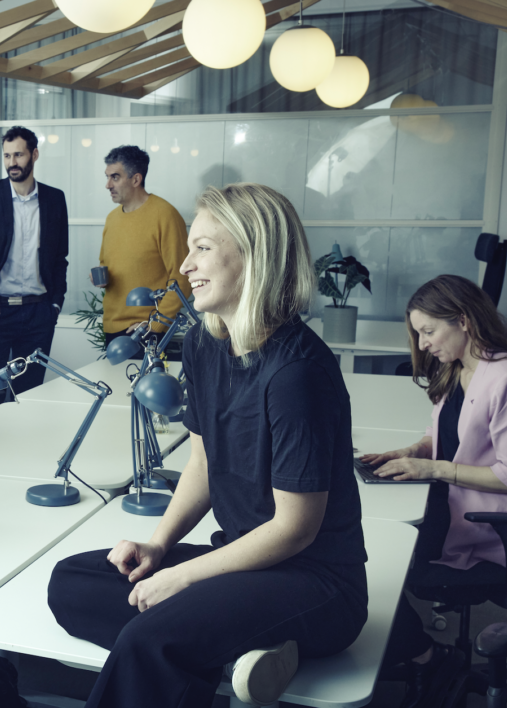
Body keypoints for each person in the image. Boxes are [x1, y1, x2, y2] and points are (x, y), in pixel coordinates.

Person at [48, 184, 368, 708]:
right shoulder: (202, 341)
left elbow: (294, 529)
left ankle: (221, 638)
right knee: (73, 582)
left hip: (316, 583)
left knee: (149, 637)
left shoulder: (298, 372)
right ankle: (242, 650)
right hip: (243, 563)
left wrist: (183, 577)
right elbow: (201, 461)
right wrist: (158, 548)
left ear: (253, 255)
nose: (184, 264)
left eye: (202, 248)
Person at [360, 274, 507, 708]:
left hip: (494, 525)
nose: (423, 343)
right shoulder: (460, 367)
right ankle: (412, 649)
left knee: (369, 563)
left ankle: (427, 656)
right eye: (418, 333)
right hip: (454, 503)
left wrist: (431, 467)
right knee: (360, 546)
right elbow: (444, 433)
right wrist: (412, 450)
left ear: (463, 320)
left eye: (429, 331)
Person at [0, 126, 69, 412]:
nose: (11, 162)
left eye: (18, 155)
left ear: (34, 154)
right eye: (6, 155)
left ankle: (27, 454)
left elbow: (60, 259)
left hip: (38, 313)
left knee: (31, 397)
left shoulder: (55, 199)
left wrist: (55, 306)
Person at [96, 145, 192, 355]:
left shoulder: (165, 215)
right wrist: (101, 277)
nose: (107, 185)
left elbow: (183, 278)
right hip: (113, 329)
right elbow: (106, 264)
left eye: (115, 177)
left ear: (136, 179)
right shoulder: (112, 218)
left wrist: (155, 325)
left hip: (145, 331)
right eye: (107, 177)